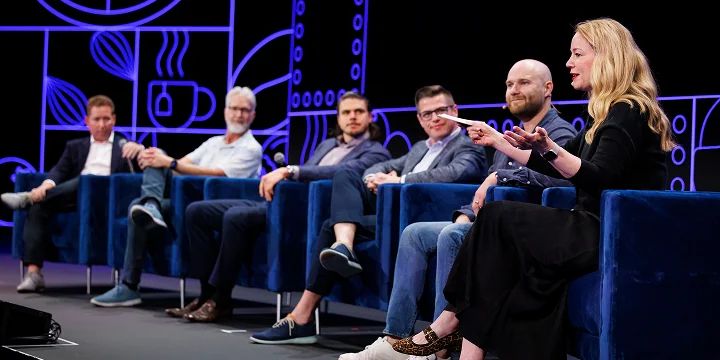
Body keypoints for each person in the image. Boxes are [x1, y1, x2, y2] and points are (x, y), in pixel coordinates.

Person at [391, 18, 675, 360]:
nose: (569, 63)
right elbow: (550, 160)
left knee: (497, 216)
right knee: (513, 261)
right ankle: (464, 345)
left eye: (576, 54)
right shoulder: (603, 113)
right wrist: (498, 140)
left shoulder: (628, 109)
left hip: (611, 233)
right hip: (592, 226)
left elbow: (599, 176)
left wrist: (551, 149)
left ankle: (449, 321)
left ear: (606, 57)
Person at [340, 59, 578, 360]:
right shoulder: (513, 134)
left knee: (452, 236)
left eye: (523, 83)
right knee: (415, 233)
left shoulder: (559, 132)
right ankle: (396, 337)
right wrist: (467, 212)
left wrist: (499, 176)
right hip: (488, 222)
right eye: (508, 85)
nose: (514, 90)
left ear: (548, 88)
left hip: (518, 231)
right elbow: (484, 190)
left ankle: (436, 348)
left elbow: (558, 178)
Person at [249, 85, 488, 345]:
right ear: (419, 119)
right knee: (345, 180)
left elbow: (456, 173)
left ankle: (304, 315)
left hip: (426, 218)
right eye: (427, 113)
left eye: (442, 111)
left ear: (455, 111)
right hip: (393, 214)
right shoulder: (421, 147)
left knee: (332, 223)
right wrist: (375, 177)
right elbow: (383, 166)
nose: (435, 118)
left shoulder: (468, 145)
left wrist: (399, 180)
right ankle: (342, 248)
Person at [165, 91, 391, 322]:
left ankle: (221, 300)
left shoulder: (376, 152)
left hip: (305, 210)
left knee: (235, 217)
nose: (352, 117)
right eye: (346, 112)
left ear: (370, 117)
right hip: (282, 199)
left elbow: (342, 173)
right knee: (198, 211)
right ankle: (205, 294)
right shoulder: (327, 145)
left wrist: (291, 170)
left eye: (358, 112)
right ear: (338, 117)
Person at [90, 86, 264, 307]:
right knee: (144, 191)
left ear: (253, 115)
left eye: (244, 110)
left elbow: (218, 174)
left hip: (210, 206)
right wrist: (154, 158)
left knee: (156, 173)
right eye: (234, 108)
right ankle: (129, 284)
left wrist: (168, 162)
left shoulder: (251, 148)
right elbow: (179, 166)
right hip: (187, 198)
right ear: (225, 111)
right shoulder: (213, 143)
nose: (239, 114)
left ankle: (150, 208)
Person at [2, 95, 144, 293]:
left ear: (114, 119)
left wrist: (140, 149)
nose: (102, 125)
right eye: (96, 119)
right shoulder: (75, 146)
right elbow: (58, 171)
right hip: (75, 199)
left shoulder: (125, 146)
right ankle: (34, 274)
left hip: (106, 200)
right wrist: (45, 186)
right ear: (87, 121)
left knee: (86, 180)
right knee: (38, 207)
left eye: (106, 119)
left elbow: (147, 165)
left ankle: (26, 198)